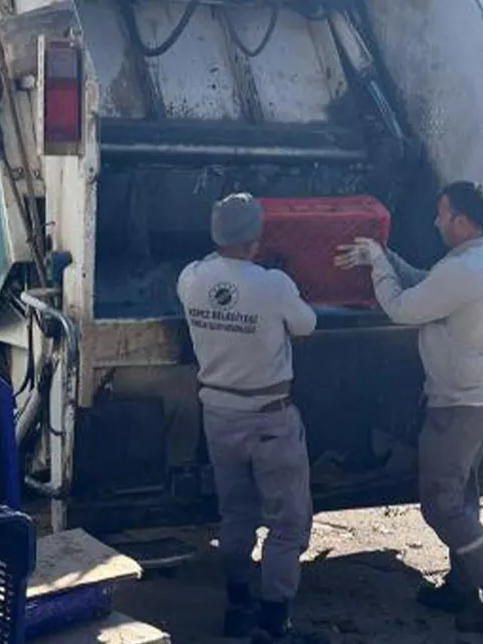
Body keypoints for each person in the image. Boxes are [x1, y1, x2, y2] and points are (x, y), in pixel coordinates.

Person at [336, 181, 483, 634]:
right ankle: (463, 586)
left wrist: (380, 266)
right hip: (478, 401)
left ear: (462, 221)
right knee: (461, 499)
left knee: (441, 507)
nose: (435, 221)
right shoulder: (474, 260)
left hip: (460, 407)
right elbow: (430, 285)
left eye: (442, 214)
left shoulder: (467, 269)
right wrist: (386, 257)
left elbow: (403, 309)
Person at [177, 193, 318, 641]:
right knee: (286, 522)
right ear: (256, 238)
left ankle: (238, 605)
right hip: (269, 419)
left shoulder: (190, 278)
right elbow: (307, 325)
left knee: (235, 515)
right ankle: (275, 623)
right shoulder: (273, 284)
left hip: (218, 414)